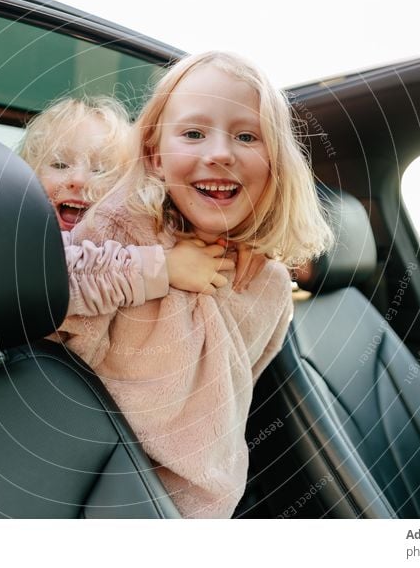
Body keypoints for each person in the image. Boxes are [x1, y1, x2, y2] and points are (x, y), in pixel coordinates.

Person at [58, 52, 333, 518]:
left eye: (247, 136)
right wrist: (160, 268)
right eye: (192, 133)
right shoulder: (122, 228)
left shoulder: (267, 285)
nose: (220, 153)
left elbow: (238, 389)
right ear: (155, 156)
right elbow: (54, 295)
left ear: (276, 166)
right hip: (102, 491)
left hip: (203, 507)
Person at [19, 96, 240, 317]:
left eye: (100, 170)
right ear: (29, 172)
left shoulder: (131, 230)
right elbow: (54, 278)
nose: (78, 179)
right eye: (60, 164)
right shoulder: (21, 236)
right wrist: (162, 268)